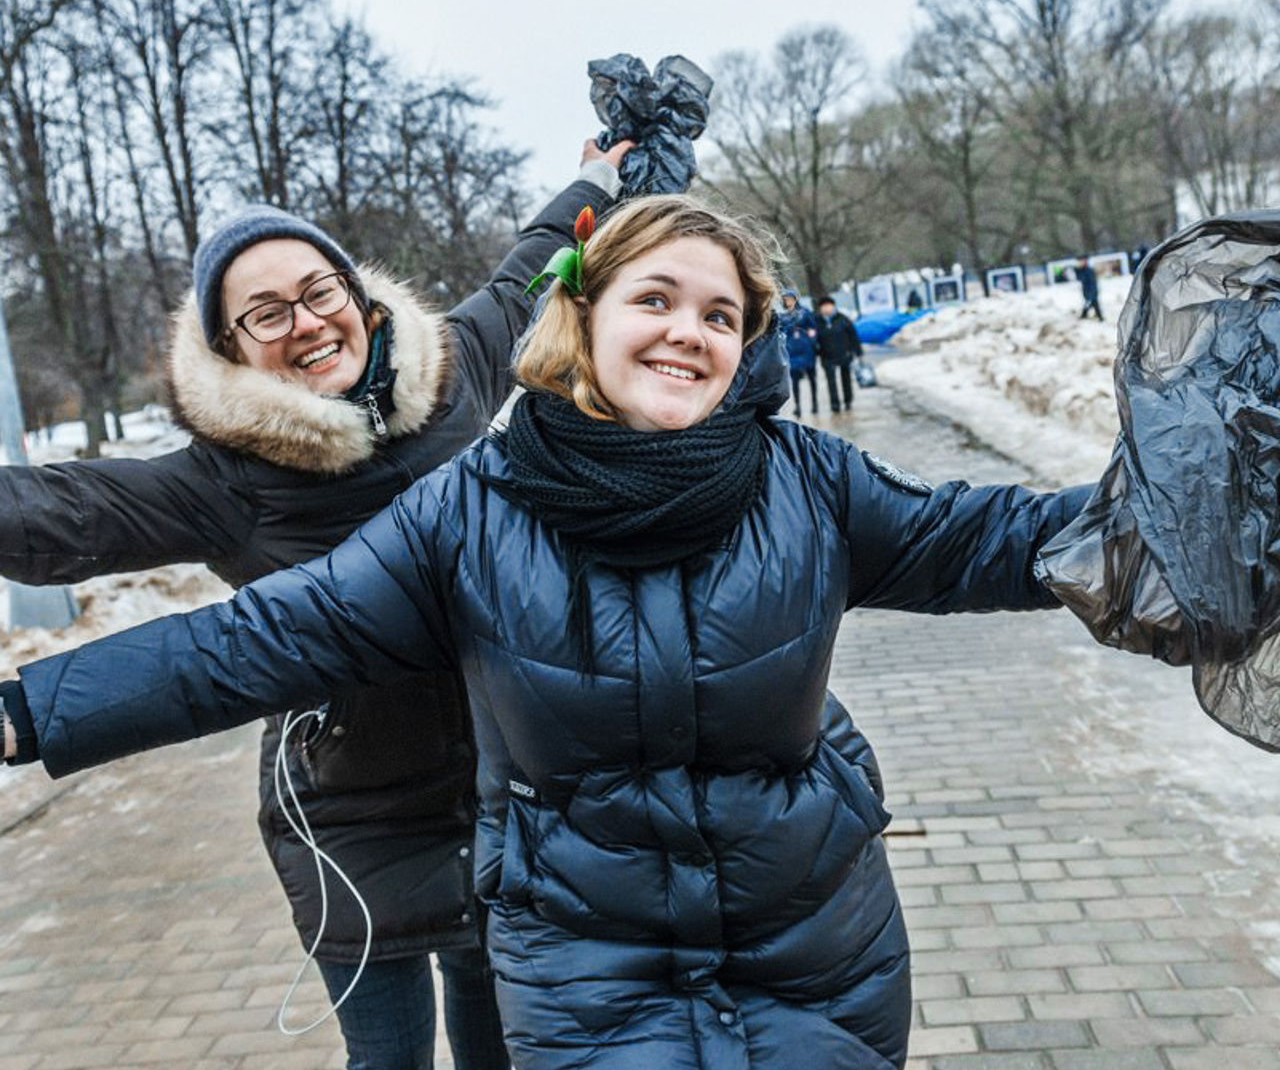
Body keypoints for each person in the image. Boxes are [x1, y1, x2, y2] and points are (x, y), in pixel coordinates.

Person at [2, 193, 1096, 1070]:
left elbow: (996, 536)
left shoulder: (805, 479)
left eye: (719, 315)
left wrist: (1183, 524)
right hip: (587, 971)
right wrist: (26, 712)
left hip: (816, 952)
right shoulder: (467, 509)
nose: (685, 331)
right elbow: (242, 640)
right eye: (654, 297)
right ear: (585, 316)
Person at [0, 137, 630, 1070]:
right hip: (349, 822)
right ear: (232, 349)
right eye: (265, 313)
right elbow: (63, 510)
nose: (305, 322)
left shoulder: (453, 374)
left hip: (503, 798)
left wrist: (603, 177)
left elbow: (537, 264)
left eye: (317, 290)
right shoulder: (224, 481)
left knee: (504, 1048)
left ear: (358, 295)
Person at [814, 295, 863, 413]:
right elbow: (812, 339)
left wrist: (857, 351)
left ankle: (848, 401)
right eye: (823, 306)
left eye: (828, 306)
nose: (826, 308)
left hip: (844, 353)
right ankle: (835, 404)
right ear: (820, 309)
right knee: (831, 382)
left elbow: (853, 336)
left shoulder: (842, 319)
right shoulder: (817, 321)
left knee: (846, 379)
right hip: (826, 355)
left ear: (833, 306)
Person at [779, 286, 818, 415]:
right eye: (785, 299)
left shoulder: (805, 313)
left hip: (806, 349)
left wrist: (810, 341)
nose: (788, 301)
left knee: (812, 378)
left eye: (790, 298)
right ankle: (798, 406)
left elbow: (813, 328)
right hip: (792, 351)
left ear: (795, 299)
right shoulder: (782, 317)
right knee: (794, 380)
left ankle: (815, 403)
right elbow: (780, 333)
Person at [1076, 255, 1103, 320]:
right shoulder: (1082, 271)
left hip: (1091, 292)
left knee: (1092, 303)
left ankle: (1085, 316)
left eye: (1082, 261)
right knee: (1093, 304)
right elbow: (1080, 279)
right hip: (1087, 292)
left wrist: (1090, 294)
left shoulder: (1089, 271)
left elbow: (1092, 283)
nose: (1080, 263)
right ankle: (1099, 317)